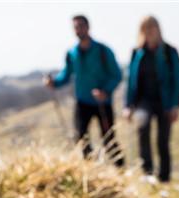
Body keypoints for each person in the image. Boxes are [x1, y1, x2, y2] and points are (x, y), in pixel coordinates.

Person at [45, 15, 124, 166]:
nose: (78, 30)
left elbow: (116, 75)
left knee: (109, 138)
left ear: (88, 27)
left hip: (103, 102)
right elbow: (66, 75)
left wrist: (105, 91)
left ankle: (120, 169)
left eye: (81, 26)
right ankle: (89, 170)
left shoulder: (103, 51)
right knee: (81, 138)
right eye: (76, 27)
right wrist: (53, 83)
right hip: (82, 102)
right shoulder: (72, 54)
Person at [123, 16, 179, 182]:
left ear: (158, 29)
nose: (149, 32)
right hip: (144, 101)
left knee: (162, 139)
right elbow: (130, 80)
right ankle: (147, 172)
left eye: (152, 28)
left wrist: (175, 105)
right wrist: (127, 106)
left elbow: (177, 80)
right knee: (142, 129)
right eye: (145, 28)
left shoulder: (169, 52)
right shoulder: (137, 53)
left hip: (165, 101)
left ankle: (164, 177)